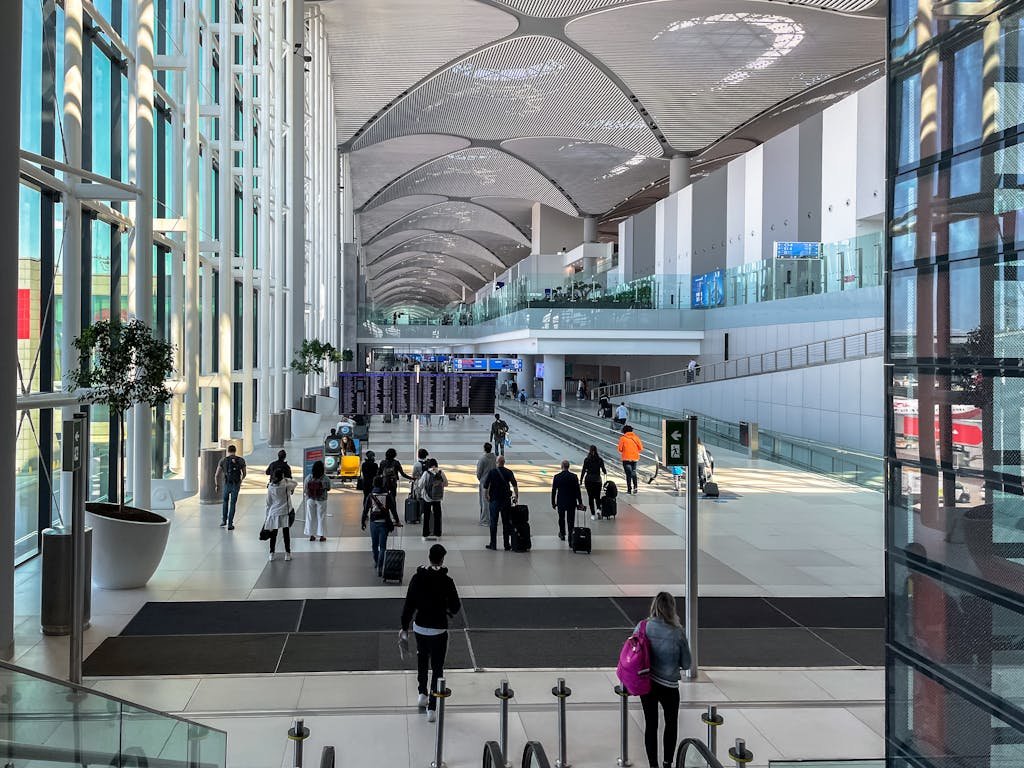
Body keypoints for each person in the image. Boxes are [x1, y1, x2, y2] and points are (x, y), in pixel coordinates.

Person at [400, 544, 462, 722]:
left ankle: (421, 693)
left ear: (429, 557)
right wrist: (447, 611)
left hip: (420, 627)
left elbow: (409, 604)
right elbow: (456, 606)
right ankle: (432, 708)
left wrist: (404, 626)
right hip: (439, 629)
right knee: (437, 667)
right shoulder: (447, 581)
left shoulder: (417, 578)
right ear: (442, 559)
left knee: (422, 658)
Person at [636, 592, 692, 768]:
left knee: (651, 725)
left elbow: (634, 652)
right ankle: (668, 762)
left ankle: (653, 765)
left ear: (654, 607)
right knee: (671, 724)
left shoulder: (643, 626)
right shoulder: (677, 633)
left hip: (647, 683)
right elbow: (687, 663)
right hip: (669, 686)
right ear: (671, 609)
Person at [361, 479, 402, 574]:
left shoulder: (371, 495)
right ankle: (380, 565)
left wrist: (363, 522)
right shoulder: (387, 495)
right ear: (383, 484)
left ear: (373, 484)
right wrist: (397, 521)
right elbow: (393, 509)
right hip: (384, 523)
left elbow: (365, 510)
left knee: (374, 545)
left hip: (374, 523)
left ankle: (376, 561)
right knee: (383, 546)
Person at [483, 456, 518, 551]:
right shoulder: (508, 472)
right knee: (506, 523)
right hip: (506, 500)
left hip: (494, 500)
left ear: (497, 462)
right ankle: (506, 544)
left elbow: (486, 485)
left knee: (493, 522)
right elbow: (515, 485)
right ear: (504, 462)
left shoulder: (492, 472)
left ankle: (493, 544)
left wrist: (486, 495)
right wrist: (516, 496)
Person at [264, 469, 296, 561]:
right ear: (282, 477)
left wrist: (267, 515)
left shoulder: (270, 487)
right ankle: (287, 553)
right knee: (286, 533)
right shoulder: (286, 485)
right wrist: (286, 479)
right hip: (285, 512)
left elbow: (268, 502)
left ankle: (271, 553)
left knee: (273, 534)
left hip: (274, 513)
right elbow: (295, 483)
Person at [551, 459, 583, 542]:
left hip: (561, 501)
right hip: (571, 501)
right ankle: (570, 537)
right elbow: (577, 491)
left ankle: (562, 533)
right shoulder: (574, 476)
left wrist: (553, 503)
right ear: (568, 467)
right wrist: (580, 503)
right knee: (570, 520)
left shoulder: (557, 477)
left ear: (561, 467)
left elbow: (554, 490)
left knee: (561, 518)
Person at [215, 444, 246, 530]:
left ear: (228, 451)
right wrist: (240, 481)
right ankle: (230, 524)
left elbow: (217, 475)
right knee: (233, 503)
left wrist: (217, 485)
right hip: (236, 484)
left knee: (225, 501)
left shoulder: (223, 460)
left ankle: (224, 521)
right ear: (235, 451)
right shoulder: (240, 460)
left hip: (227, 484)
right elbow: (244, 473)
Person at [416, 458, 448, 540]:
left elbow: (420, 485)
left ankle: (425, 534)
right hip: (438, 498)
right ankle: (438, 534)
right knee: (437, 516)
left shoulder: (426, 473)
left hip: (427, 498)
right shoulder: (441, 472)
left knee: (426, 516)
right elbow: (446, 483)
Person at [303, 460, 332, 542]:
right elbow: (329, 488)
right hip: (321, 500)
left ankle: (311, 535)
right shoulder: (325, 478)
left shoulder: (309, 477)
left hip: (310, 499)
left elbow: (305, 489)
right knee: (321, 517)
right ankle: (322, 536)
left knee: (310, 517)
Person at [580, 445, 607, 519]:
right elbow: (604, 470)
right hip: (597, 480)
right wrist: (604, 472)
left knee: (590, 497)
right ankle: (598, 509)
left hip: (588, 480)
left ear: (589, 450)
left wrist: (581, 480)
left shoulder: (587, 459)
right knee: (597, 496)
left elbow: (583, 470)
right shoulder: (599, 459)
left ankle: (593, 514)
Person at [475, 443, 498, 526]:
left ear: (484, 449)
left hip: (484, 483)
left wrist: (481, 479)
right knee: (492, 500)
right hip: (494, 482)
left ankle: (485, 520)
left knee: (484, 501)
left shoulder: (482, 459)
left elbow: (479, 472)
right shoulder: (495, 458)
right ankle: (493, 518)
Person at [617, 425, 643, 495]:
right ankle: (635, 488)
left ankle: (629, 490)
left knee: (628, 474)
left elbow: (620, 449)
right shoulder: (636, 438)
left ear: (624, 431)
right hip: (635, 458)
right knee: (633, 472)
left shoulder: (622, 438)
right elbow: (641, 448)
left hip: (626, 458)